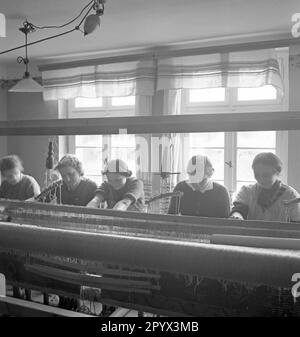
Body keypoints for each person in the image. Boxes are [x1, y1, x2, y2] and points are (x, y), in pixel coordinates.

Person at [230, 152, 300, 222]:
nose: (261, 179)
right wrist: (237, 216)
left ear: (277, 172)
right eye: (256, 174)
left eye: (266, 175)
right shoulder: (246, 191)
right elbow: (239, 209)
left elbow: (296, 223)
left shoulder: (291, 195)